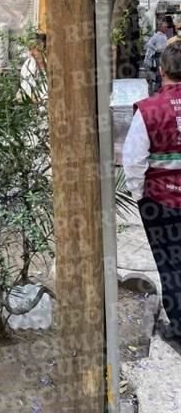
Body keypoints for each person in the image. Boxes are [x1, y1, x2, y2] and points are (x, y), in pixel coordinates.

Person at [123, 43, 181, 343]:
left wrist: (140, 196)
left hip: (161, 202)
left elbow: (133, 162)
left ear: (161, 71)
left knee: (170, 262)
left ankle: (179, 325)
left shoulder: (149, 110)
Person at [19, 33, 48, 102]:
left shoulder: (52, 65)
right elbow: (24, 85)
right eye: (30, 49)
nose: (31, 52)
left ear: (43, 48)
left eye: (34, 48)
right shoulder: (28, 64)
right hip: (31, 106)